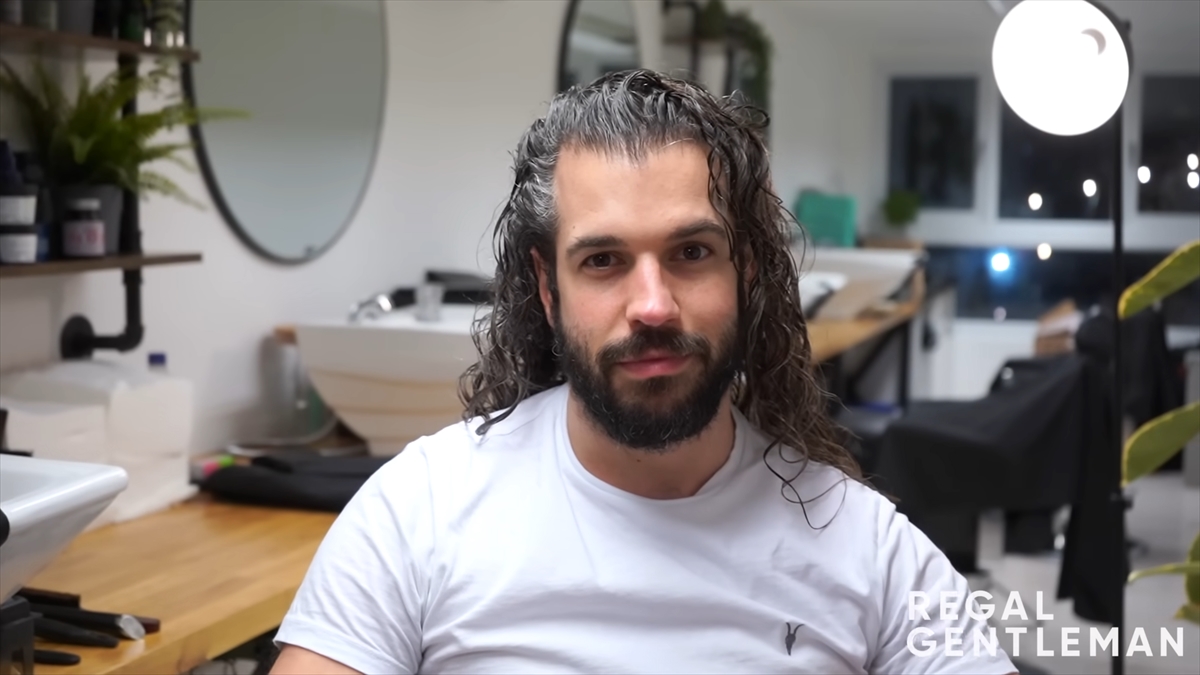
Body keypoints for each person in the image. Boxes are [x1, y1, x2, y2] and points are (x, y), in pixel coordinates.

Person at [270, 70, 1017, 675]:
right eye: (604, 260)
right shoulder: (418, 513)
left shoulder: (867, 549)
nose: (653, 305)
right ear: (548, 288)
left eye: (691, 252)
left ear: (746, 271)